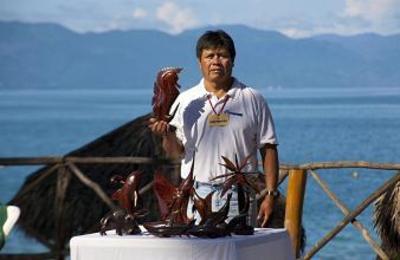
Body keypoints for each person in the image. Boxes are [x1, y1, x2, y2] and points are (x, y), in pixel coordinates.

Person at [149, 30, 279, 227]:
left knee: (239, 254)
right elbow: (177, 153)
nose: (216, 62)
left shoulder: (253, 98)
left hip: (240, 193)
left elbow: (268, 148)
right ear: (200, 61)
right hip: (196, 193)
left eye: (223, 56)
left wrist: (270, 194)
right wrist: (166, 134)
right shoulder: (185, 100)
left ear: (233, 61)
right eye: (209, 56)